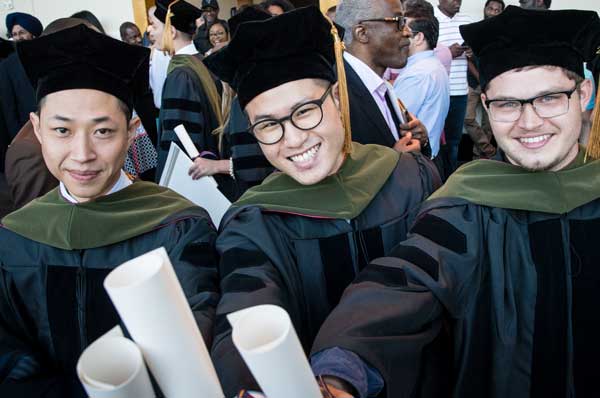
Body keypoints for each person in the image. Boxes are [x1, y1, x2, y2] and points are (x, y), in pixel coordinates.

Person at [311, 6, 600, 397]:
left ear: (583, 94)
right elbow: (402, 282)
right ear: (486, 106)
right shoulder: (467, 205)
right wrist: (340, 370)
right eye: (507, 104)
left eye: (548, 98)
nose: (529, 122)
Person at [203, 6, 440, 396]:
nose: (293, 139)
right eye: (268, 125)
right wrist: (248, 383)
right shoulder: (253, 221)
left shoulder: (410, 177)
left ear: (337, 100)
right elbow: (246, 309)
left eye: (305, 111)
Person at [0, 23, 218, 398]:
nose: (82, 154)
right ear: (36, 129)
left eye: (103, 131)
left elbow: (197, 333)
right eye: (62, 131)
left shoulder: (179, 227)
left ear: (132, 131)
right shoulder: (15, 236)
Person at [335, 0, 431, 158]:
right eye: (399, 22)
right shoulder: (337, 96)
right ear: (362, 33)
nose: (408, 32)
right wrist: (392, 161)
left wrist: (421, 140)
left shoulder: (382, 86)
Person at [153, 0, 223, 182]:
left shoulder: (181, 76)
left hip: (194, 177)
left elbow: (178, 143)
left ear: (172, 31)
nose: (150, 32)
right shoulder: (202, 63)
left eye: (154, 25)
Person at [393, 0, 449, 158]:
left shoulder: (418, 74)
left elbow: (398, 123)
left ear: (418, 38)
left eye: (405, 30)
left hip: (415, 157)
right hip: (428, 153)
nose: (400, 35)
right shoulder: (432, 65)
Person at [434, 0, 472, 172]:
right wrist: (447, 53)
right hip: (437, 89)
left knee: (454, 141)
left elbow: (475, 53)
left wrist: (472, 52)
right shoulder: (431, 19)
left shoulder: (467, 20)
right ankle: (434, 176)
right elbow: (421, 54)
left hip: (459, 90)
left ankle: (451, 178)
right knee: (433, 136)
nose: (457, 2)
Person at [463, 0, 504, 159]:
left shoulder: (502, 35)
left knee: (490, 123)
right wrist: (480, 78)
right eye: (491, 8)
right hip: (475, 84)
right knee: (468, 118)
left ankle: (479, 156)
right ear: (485, 9)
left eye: (497, 10)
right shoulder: (475, 30)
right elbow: (467, 57)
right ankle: (489, 151)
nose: (493, 12)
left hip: (494, 84)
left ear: (501, 13)